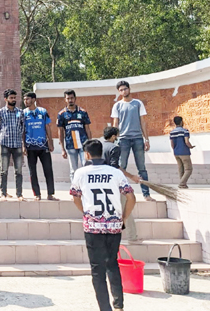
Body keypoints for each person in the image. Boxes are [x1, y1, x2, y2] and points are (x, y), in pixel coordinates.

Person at [70, 139, 136, 311]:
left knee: (97, 270)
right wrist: (123, 218)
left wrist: (85, 212)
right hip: (114, 225)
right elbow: (131, 198)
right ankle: (119, 305)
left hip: (93, 226)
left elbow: (75, 197)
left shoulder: (80, 173)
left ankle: (105, 308)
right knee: (112, 263)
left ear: (87, 154)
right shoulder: (115, 173)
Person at [111, 81, 154, 201]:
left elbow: (143, 122)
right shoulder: (117, 105)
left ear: (129, 89)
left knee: (141, 167)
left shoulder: (138, 103)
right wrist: (115, 139)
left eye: (125, 89)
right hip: (123, 139)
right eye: (121, 90)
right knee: (121, 166)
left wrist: (146, 139)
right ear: (119, 92)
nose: (123, 91)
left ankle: (146, 194)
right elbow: (115, 123)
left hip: (137, 138)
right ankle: (119, 193)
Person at [102, 126, 142, 243]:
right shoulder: (114, 147)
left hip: (100, 184)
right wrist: (131, 176)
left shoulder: (99, 146)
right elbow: (115, 166)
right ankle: (132, 237)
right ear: (114, 136)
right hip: (113, 184)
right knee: (126, 208)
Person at [23, 92, 58, 201]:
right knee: (32, 171)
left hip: (43, 146)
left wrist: (50, 142)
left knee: (48, 169)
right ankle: (37, 194)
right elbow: (22, 130)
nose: (25, 101)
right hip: (30, 146)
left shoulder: (42, 112)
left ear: (34, 99)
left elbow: (47, 126)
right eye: (24, 99)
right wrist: (23, 145)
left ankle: (50, 194)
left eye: (27, 99)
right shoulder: (23, 113)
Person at [0, 89, 24, 200]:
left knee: (18, 171)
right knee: (4, 170)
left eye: (14, 97)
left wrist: (19, 137)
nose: (13, 100)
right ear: (5, 99)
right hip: (5, 144)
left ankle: (19, 194)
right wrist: (2, 137)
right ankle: (3, 193)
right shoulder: (0, 112)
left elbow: (22, 127)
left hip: (17, 144)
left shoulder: (20, 112)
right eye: (11, 98)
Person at [57, 89, 92, 181]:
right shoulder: (61, 114)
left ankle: (86, 187)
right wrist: (62, 149)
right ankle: (75, 190)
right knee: (73, 170)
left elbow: (87, 129)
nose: (70, 100)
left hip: (83, 145)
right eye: (68, 98)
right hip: (70, 145)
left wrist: (90, 144)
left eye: (72, 98)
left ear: (75, 98)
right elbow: (60, 131)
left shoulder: (83, 112)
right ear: (65, 99)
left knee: (86, 167)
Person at [170, 116, 195, 189]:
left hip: (176, 152)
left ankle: (183, 185)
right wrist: (191, 146)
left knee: (181, 169)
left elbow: (172, 143)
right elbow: (186, 141)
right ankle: (182, 183)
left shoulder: (172, 132)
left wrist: (175, 149)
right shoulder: (185, 131)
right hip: (184, 152)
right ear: (181, 122)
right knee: (188, 169)